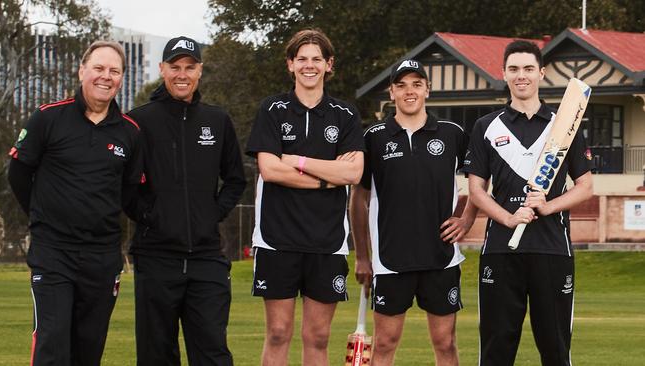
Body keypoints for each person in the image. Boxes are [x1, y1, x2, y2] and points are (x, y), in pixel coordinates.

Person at [7, 40, 142, 366]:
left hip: (102, 257)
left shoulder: (130, 133)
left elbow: (129, 195)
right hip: (53, 253)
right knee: (52, 344)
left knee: (88, 349)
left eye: (114, 71)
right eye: (99, 68)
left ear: (122, 78)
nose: (105, 76)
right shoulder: (48, 117)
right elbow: (18, 175)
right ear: (82, 70)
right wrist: (42, 217)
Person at [462, 40, 594, 366]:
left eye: (528, 69)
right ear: (504, 74)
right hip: (500, 250)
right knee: (495, 351)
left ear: (541, 73)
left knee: (555, 350)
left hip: (552, 248)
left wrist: (549, 206)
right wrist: (508, 218)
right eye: (514, 69)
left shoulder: (565, 125)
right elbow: (477, 190)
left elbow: (586, 187)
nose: (522, 76)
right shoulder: (486, 127)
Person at [245, 29, 364, 366]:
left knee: (318, 337)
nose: (309, 66)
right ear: (290, 64)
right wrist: (329, 177)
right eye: (302, 59)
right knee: (279, 332)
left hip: (327, 241)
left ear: (329, 65)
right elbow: (270, 170)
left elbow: (353, 174)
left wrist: (296, 161)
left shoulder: (345, 114)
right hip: (276, 237)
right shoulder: (273, 109)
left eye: (316, 59)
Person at [125, 36, 246, 366]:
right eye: (175, 67)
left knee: (212, 353)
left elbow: (236, 179)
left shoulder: (217, 121)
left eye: (189, 67)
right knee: (156, 355)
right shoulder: (138, 121)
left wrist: (211, 214)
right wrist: (151, 216)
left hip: (207, 258)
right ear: (162, 69)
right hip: (155, 258)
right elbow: (125, 187)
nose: (182, 74)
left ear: (200, 71)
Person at [350, 59, 478, 366]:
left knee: (445, 343)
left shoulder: (452, 133)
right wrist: (363, 256)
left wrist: (467, 218)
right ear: (391, 92)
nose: (410, 92)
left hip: (441, 257)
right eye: (402, 85)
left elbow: (480, 182)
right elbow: (359, 199)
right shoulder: (374, 137)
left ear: (428, 91)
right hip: (390, 259)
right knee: (384, 343)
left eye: (417, 85)